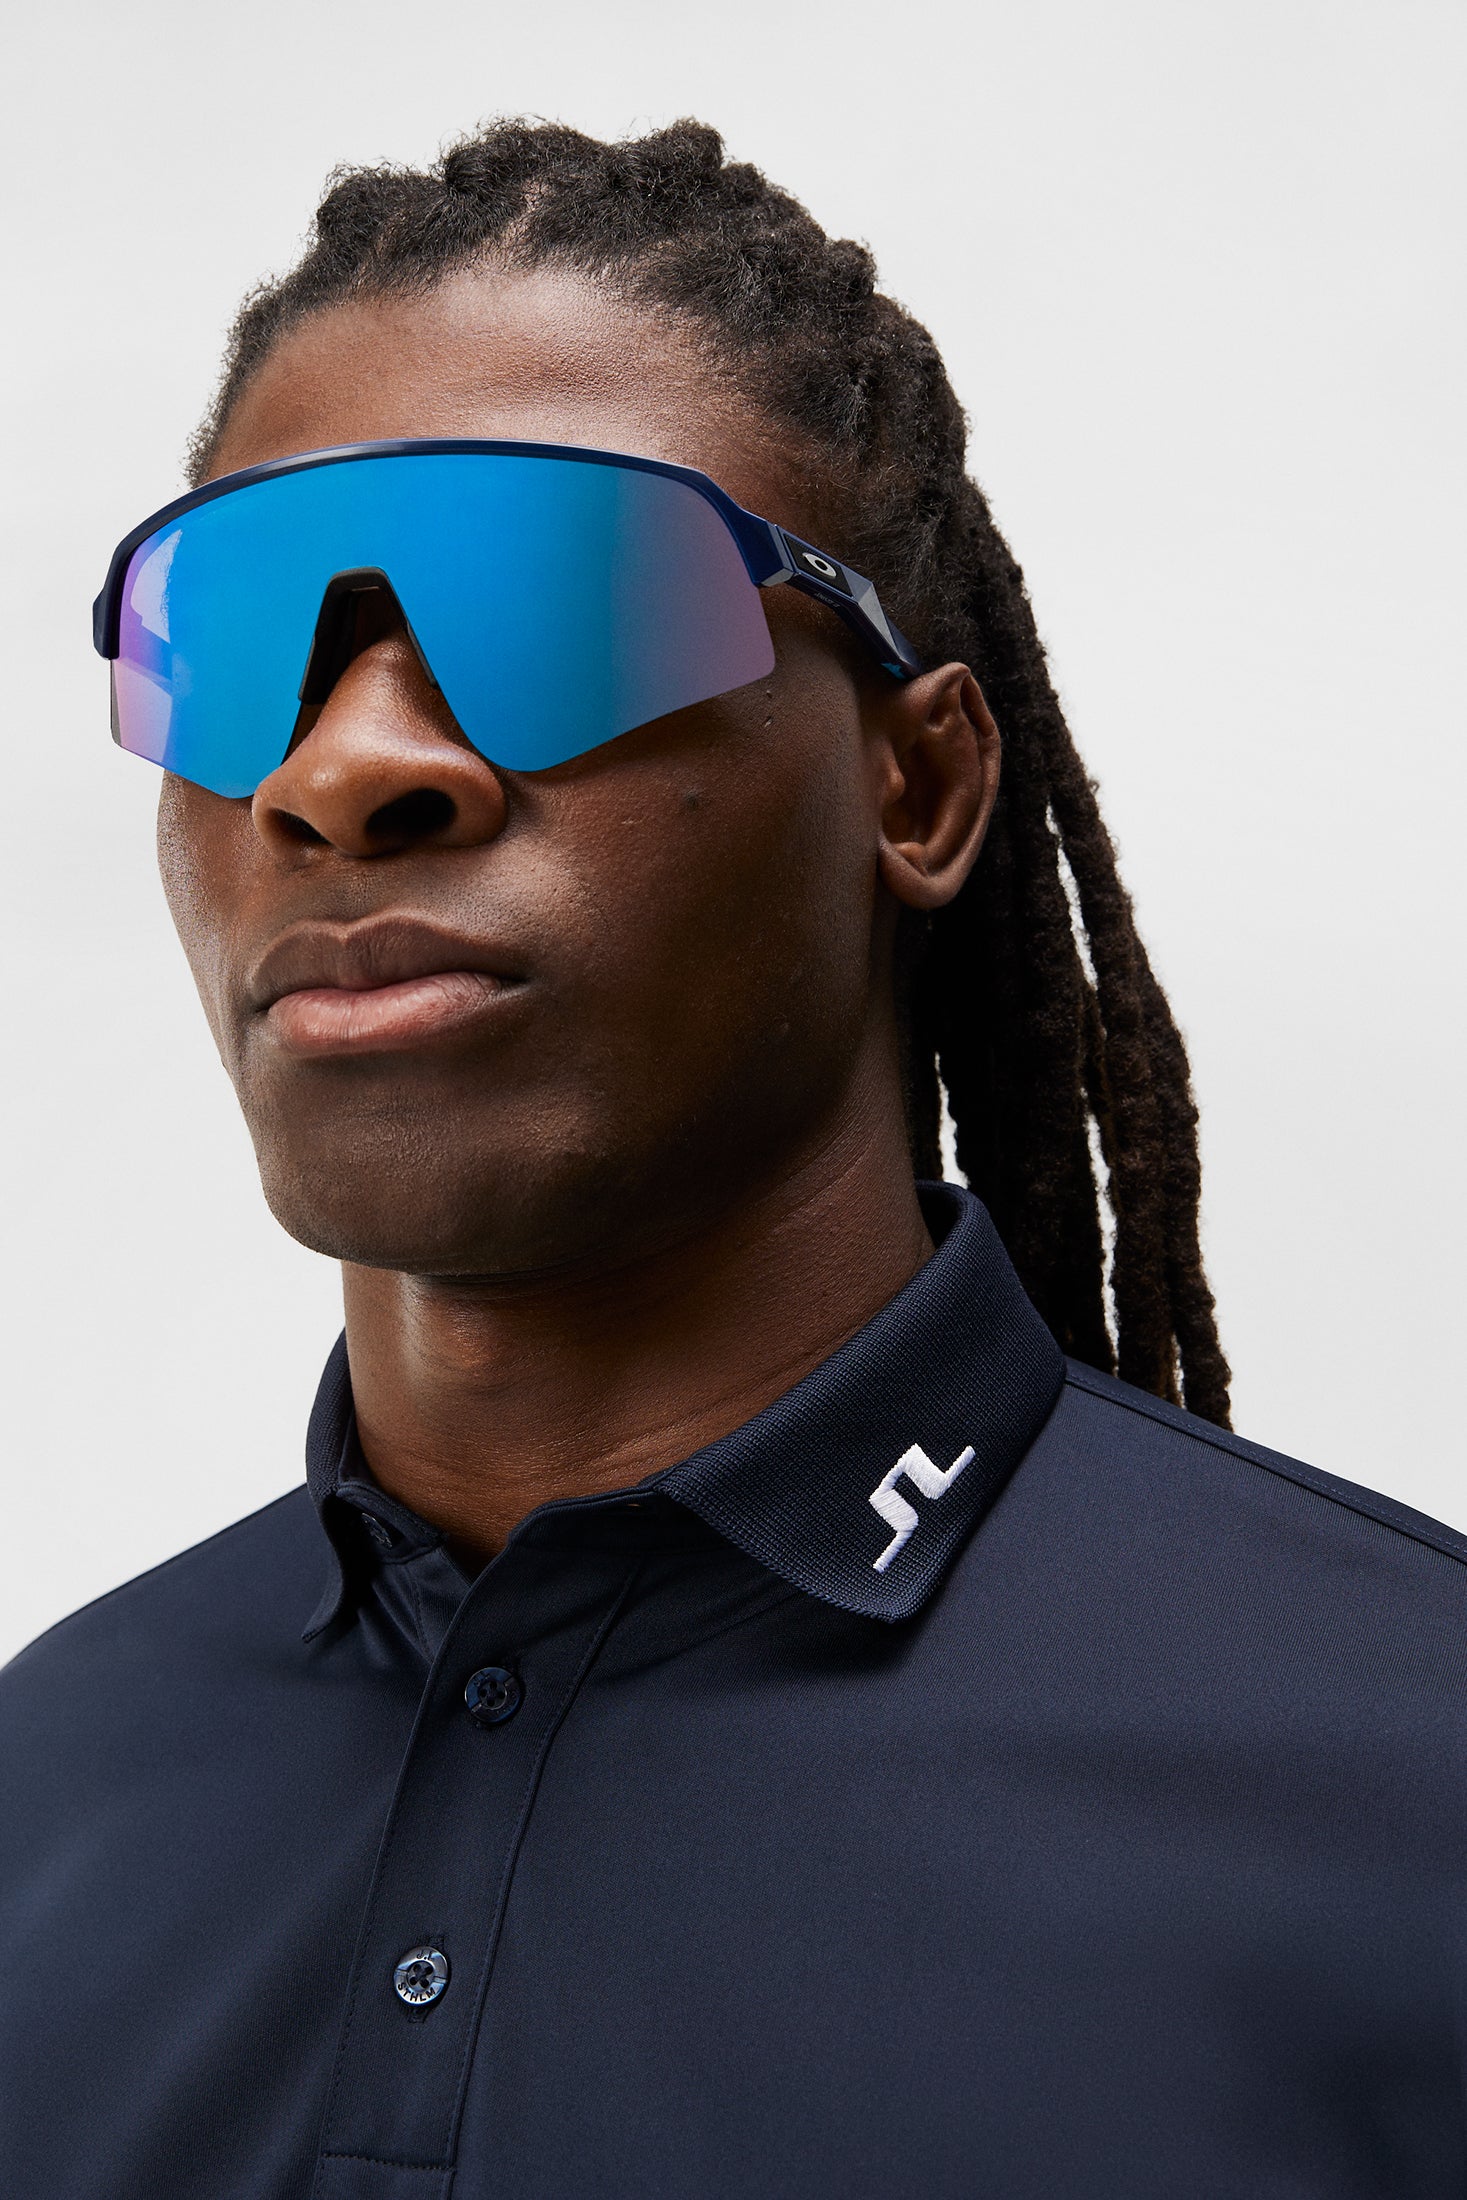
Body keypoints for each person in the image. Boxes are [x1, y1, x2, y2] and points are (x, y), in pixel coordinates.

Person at [3, 118, 1463, 2200]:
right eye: (229, 645)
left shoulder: (1409, 1786)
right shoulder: (45, 1789)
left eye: (563, 600)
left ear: (918, 783)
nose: (341, 765)